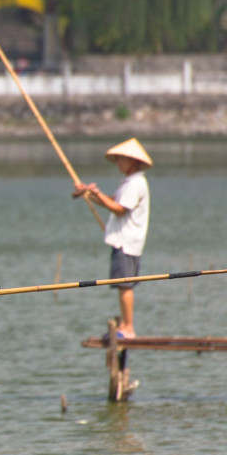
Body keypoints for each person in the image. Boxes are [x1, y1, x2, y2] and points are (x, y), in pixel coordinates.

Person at [73, 138, 152, 339]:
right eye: (117, 159)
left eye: (121, 159)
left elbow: (118, 209)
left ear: (133, 161)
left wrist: (96, 194)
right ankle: (125, 326)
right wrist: (89, 194)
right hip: (126, 241)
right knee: (123, 285)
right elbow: (113, 201)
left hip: (127, 242)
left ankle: (128, 328)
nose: (118, 163)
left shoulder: (136, 183)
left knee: (124, 285)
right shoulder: (128, 182)